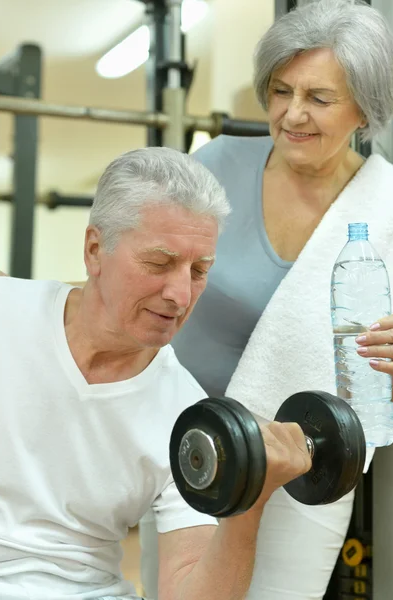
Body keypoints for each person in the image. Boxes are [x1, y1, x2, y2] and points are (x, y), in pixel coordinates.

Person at [139, 0, 393, 599]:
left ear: (364, 107)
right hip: (188, 448)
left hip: (309, 459)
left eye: (319, 98)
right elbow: (137, 270)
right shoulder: (213, 168)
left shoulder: (385, 205)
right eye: (281, 91)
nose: (293, 114)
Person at [0, 146, 313, 600]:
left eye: (200, 271)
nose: (181, 296)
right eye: (159, 264)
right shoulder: (3, 312)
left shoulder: (190, 421)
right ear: (94, 250)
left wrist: (249, 504)